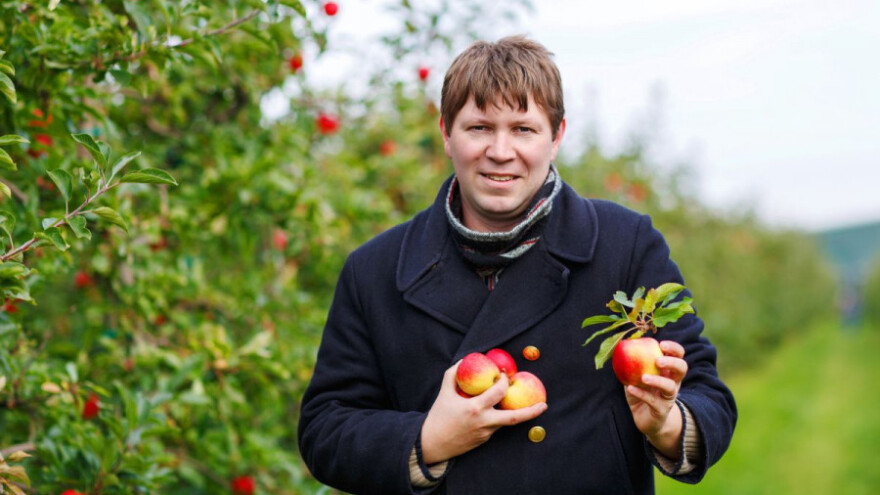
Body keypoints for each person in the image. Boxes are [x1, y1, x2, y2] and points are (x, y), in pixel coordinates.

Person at [298, 36, 736, 495]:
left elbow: (710, 398)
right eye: (479, 128)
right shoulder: (375, 270)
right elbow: (325, 429)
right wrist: (429, 441)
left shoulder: (624, 245)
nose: (501, 151)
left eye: (523, 129)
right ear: (446, 133)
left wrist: (666, 424)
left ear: (557, 136)